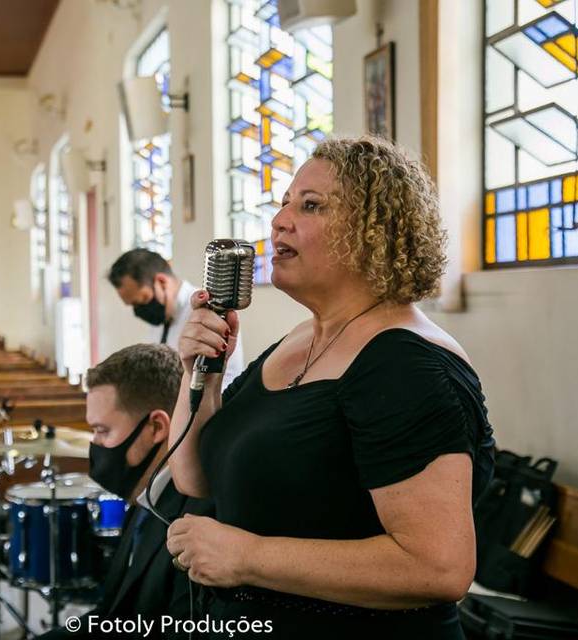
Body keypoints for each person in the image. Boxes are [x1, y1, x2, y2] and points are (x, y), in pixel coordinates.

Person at [164, 137, 496, 639]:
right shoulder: (300, 340)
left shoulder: (406, 363)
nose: (279, 221)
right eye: (283, 203)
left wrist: (246, 557)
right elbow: (196, 479)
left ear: (374, 233)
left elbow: (439, 567)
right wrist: (200, 372)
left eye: (311, 205)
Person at [39, 343, 211, 639]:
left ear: (157, 427)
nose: (94, 445)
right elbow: (112, 616)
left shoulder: (193, 522)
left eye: (103, 431)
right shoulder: (145, 501)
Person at [108, 249, 245, 390]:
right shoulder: (161, 316)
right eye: (133, 305)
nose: (139, 311)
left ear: (161, 282)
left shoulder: (208, 309)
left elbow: (223, 382)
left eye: (142, 301)